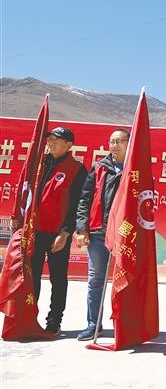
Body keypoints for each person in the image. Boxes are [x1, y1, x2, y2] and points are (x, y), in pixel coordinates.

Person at [30, 126, 87, 335]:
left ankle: (54, 321)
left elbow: (77, 205)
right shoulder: (39, 164)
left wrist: (65, 233)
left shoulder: (77, 169)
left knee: (58, 278)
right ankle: (28, 317)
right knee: (31, 277)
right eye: (50, 139)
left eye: (57, 139)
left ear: (68, 145)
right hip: (34, 232)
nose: (51, 142)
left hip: (57, 234)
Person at [74, 128, 130, 340]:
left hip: (125, 235)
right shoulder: (99, 167)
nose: (115, 145)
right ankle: (93, 324)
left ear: (129, 143)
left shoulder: (135, 169)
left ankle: (125, 324)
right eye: (112, 141)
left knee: (126, 280)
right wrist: (82, 229)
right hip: (98, 233)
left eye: (119, 141)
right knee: (96, 280)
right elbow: (84, 200)